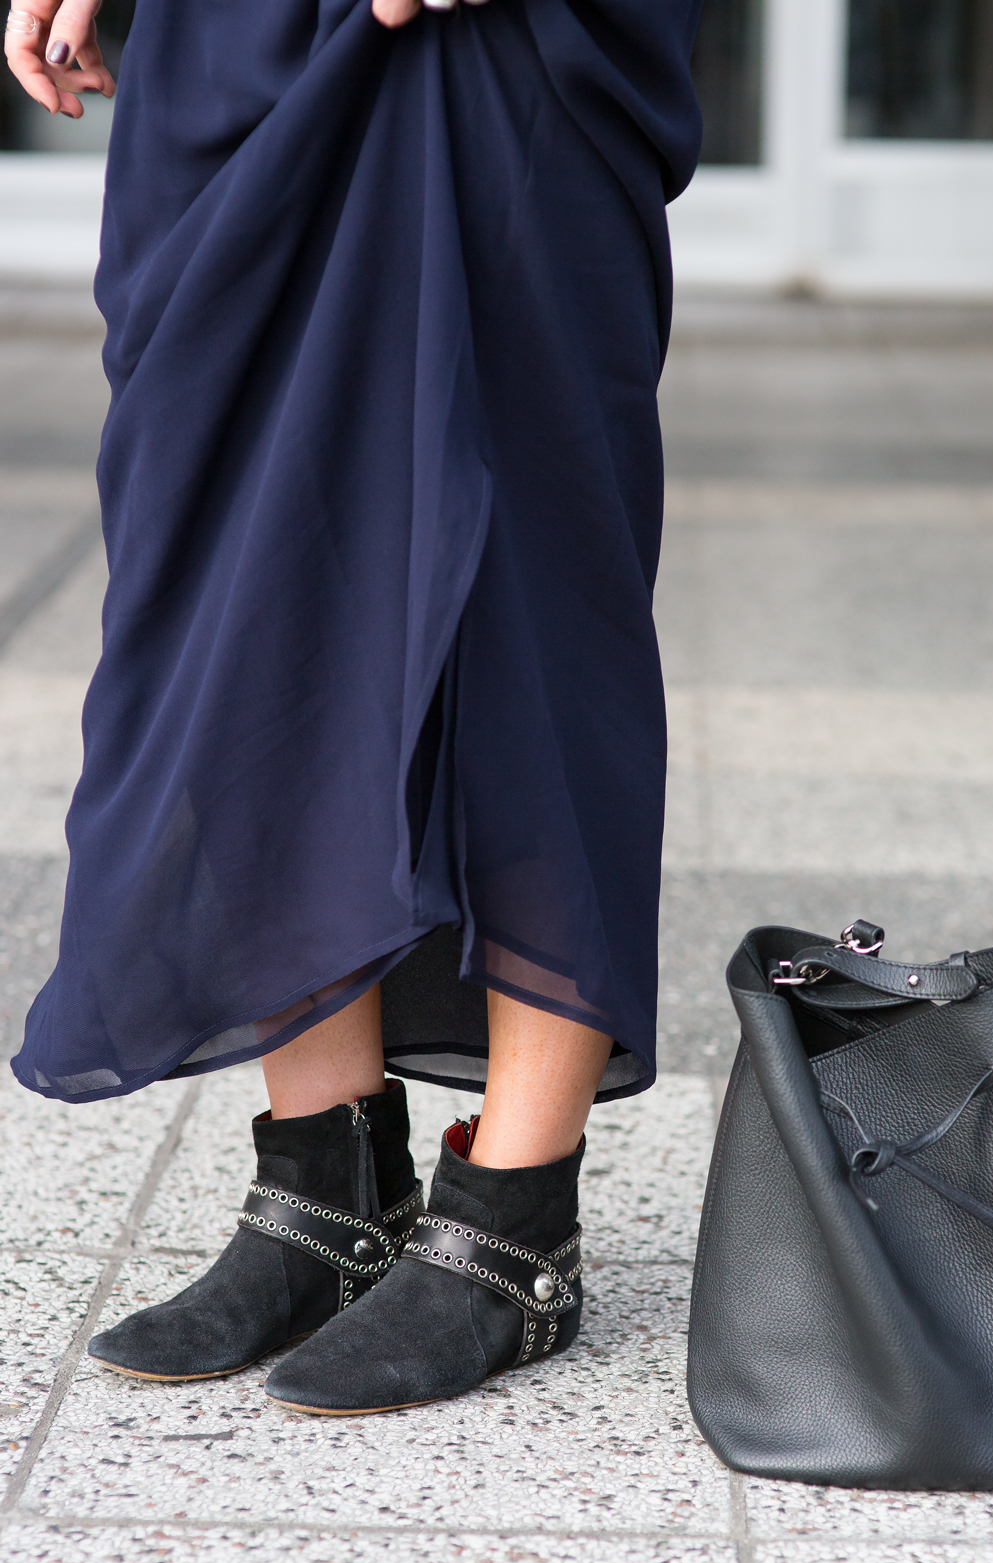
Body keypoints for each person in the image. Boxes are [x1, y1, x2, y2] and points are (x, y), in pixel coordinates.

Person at [5, 0, 702, 1414]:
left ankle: (516, 1221)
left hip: (500, 53)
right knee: (240, 592)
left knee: (523, 605)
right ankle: (327, 1185)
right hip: (232, 50)